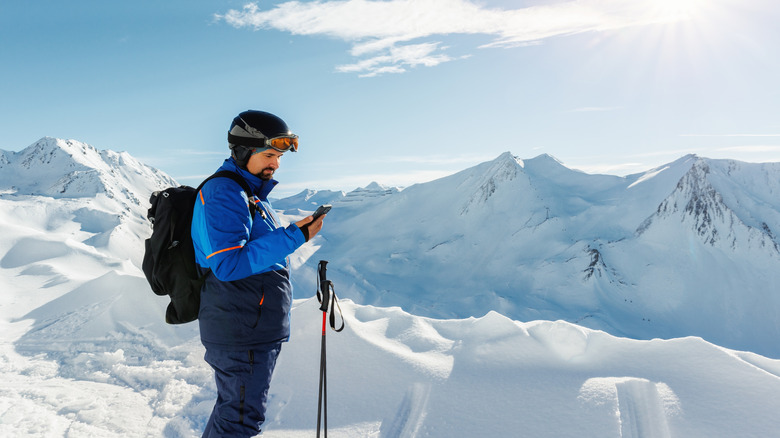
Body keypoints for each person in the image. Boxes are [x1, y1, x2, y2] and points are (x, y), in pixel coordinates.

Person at [191, 110, 325, 437]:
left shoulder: (248, 193)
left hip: (250, 327)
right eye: (269, 155)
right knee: (240, 421)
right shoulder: (226, 192)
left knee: (234, 414)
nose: (276, 164)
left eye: (278, 157)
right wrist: (296, 236)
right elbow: (229, 264)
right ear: (242, 152)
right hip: (241, 332)